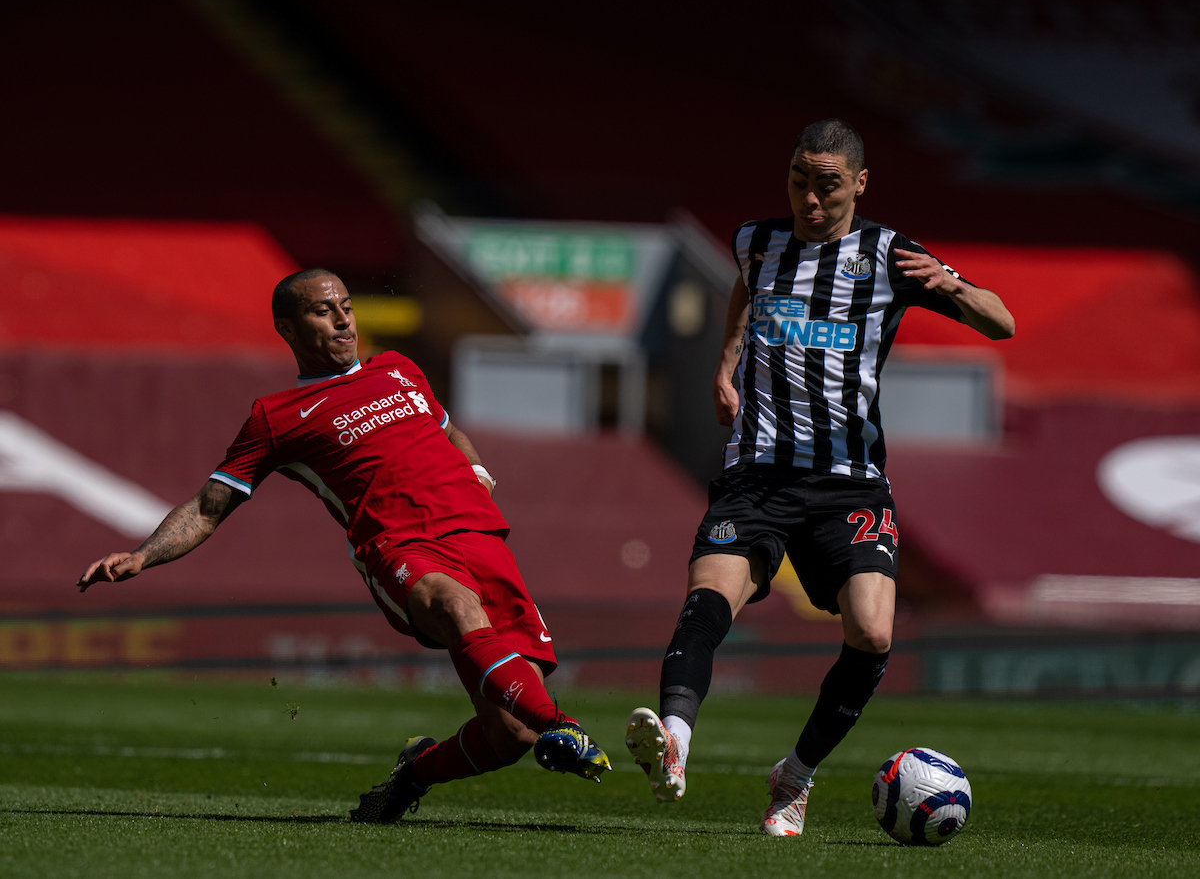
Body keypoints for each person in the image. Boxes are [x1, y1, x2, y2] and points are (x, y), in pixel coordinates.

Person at [79, 268, 611, 823]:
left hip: (479, 534)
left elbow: (447, 430)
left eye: (347, 306)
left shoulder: (399, 369)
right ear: (287, 328)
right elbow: (210, 505)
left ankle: (415, 772)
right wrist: (143, 554)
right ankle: (565, 726)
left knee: (510, 735)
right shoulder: (276, 417)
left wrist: (474, 466)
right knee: (456, 609)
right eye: (322, 310)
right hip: (399, 546)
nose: (342, 319)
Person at [624, 120, 1014, 835]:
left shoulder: (890, 255)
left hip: (848, 483)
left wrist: (952, 284)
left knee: (871, 633)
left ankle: (793, 778)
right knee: (710, 597)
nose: (810, 197)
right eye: (800, 180)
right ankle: (674, 743)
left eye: (827, 184)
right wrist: (724, 362)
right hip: (757, 476)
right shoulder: (756, 241)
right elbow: (745, 291)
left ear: (859, 184)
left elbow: (1002, 323)